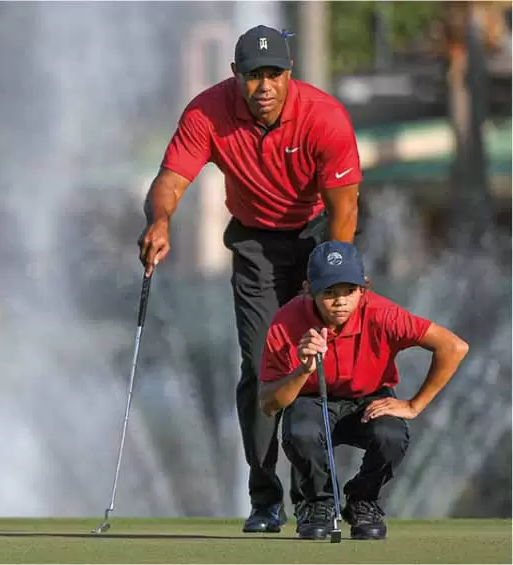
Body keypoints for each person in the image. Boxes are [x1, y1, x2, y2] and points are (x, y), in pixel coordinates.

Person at [138, 24, 362, 532]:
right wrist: (160, 220)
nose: (264, 87)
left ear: (289, 75)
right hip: (255, 245)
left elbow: (345, 207)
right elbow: (171, 180)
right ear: (235, 75)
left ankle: (318, 499)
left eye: (273, 75)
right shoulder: (207, 111)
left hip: (317, 239)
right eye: (253, 76)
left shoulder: (325, 117)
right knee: (261, 368)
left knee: (316, 365)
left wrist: (326, 274)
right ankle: (265, 499)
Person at [259, 240, 469, 540]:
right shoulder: (287, 322)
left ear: (364, 287)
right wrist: (303, 370)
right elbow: (268, 404)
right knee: (300, 432)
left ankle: (362, 501)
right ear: (308, 290)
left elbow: (454, 347)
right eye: (329, 292)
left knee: (392, 436)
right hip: (310, 398)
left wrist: (413, 406)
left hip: (369, 399)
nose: (341, 301)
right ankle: (318, 504)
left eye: (349, 291)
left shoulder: (383, 313)